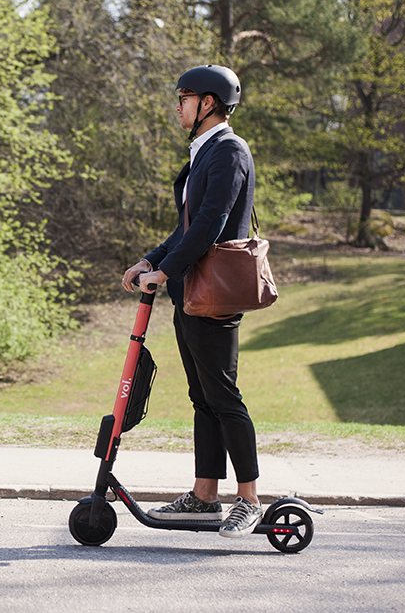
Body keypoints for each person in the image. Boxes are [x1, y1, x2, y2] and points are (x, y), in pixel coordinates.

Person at [121, 64, 262, 538]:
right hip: (192, 293)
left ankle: (249, 500)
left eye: (184, 97)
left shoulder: (229, 151)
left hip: (214, 293)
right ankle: (205, 496)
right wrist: (150, 260)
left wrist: (167, 269)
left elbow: (210, 223)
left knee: (224, 396)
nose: (177, 105)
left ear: (208, 103)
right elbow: (186, 226)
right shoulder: (203, 154)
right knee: (203, 397)